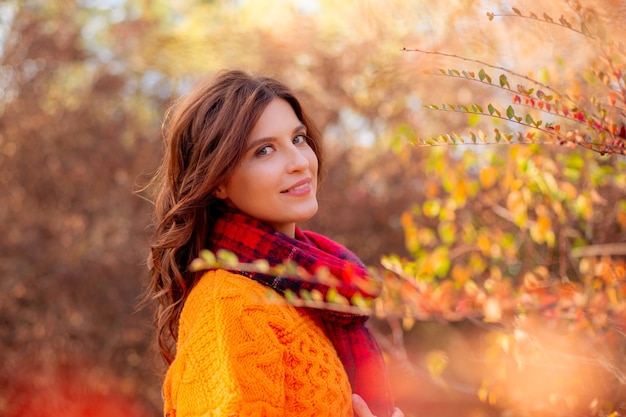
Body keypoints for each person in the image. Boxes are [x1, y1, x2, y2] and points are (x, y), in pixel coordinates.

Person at [146, 70, 403, 417]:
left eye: (298, 139)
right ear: (218, 181)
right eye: (265, 151)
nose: (299, 163)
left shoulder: (313, 293)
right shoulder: (231, 304)